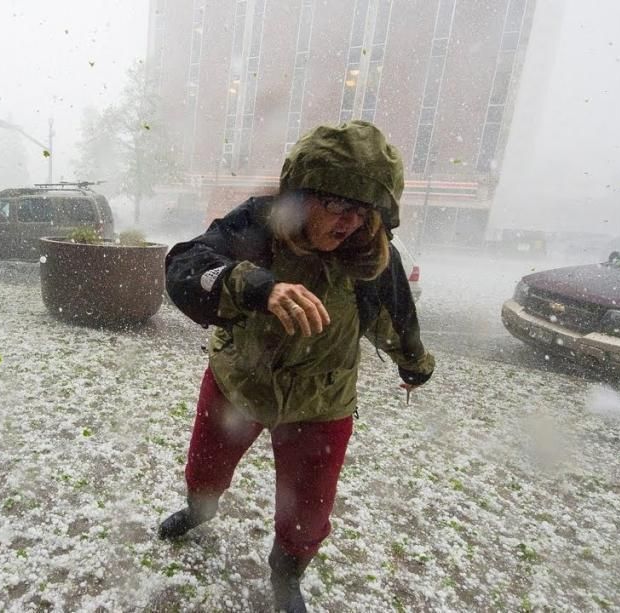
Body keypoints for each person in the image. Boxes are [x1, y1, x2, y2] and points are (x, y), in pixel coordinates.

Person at [160, 121, 435, 612]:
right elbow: (186, 266)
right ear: (301, 193)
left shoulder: (374, 258)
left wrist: (414, 364)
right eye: (335, 203)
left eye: (362, 208)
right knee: (205, 470)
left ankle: (286, 574)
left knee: (309, 512)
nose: (349, 221)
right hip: (238, 384)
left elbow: (398, 317)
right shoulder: (259, 224)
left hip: (322, 402)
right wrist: (258, 287)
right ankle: (199, 510)